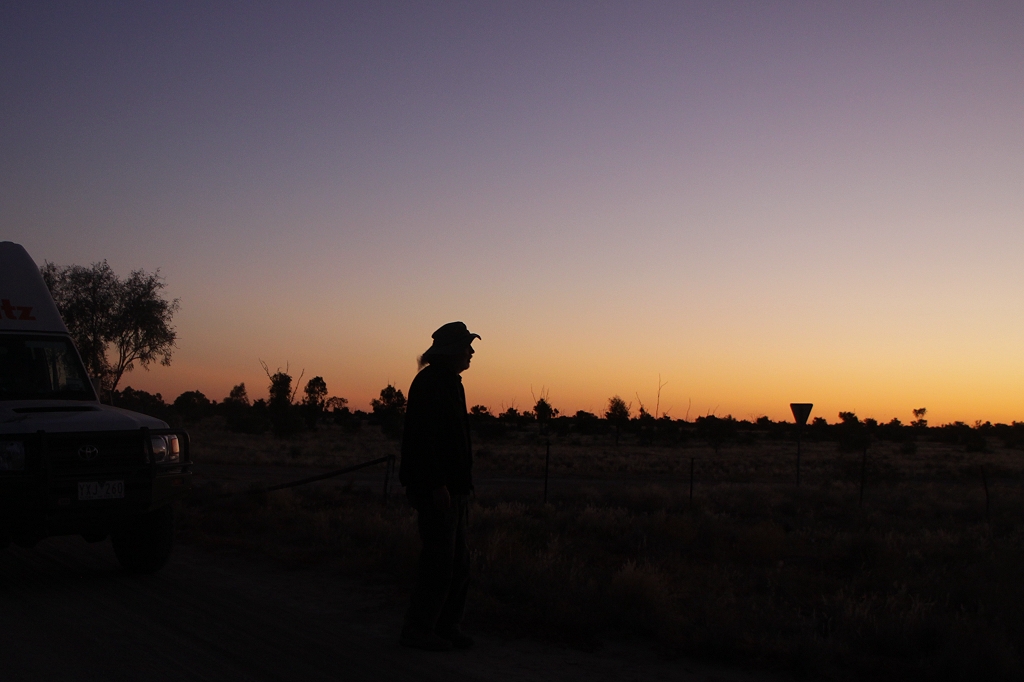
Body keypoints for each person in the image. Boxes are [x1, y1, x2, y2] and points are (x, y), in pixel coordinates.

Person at [398, 321, 479, 651]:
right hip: (438, 491)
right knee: (439, 564)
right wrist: (435, 484)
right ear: (451, 351)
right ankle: (419, 631)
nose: (471, 352)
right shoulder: (432, 383)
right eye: (466, 346)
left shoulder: (449, 383)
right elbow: (424, 440)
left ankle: (446, 627)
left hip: (453, 489)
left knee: (457, 564)